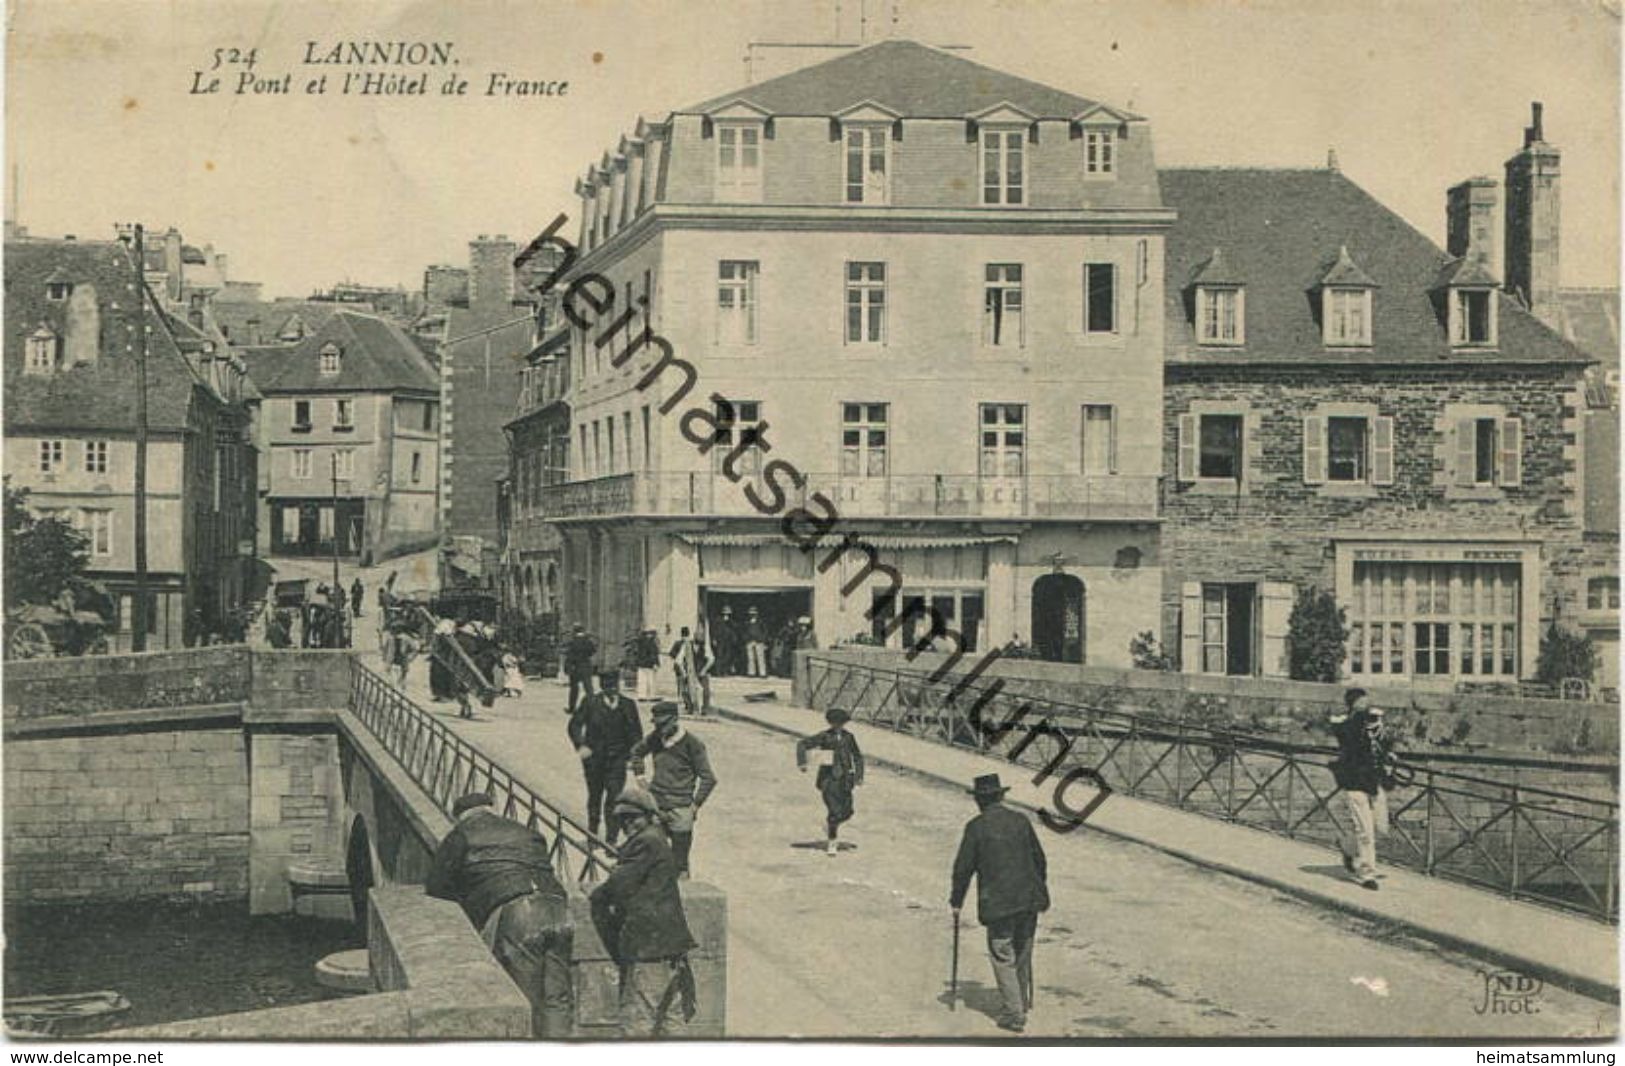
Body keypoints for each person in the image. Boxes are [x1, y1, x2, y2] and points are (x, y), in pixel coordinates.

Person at [426, 792, 574, 1038]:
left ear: (460, 816)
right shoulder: (525, 831)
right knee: (557, 995)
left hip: (518, 912)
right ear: (490, 809)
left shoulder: (461, 834)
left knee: (523, 997)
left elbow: (437, 886)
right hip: (558, 907)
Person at [590, 786, 698, 1037]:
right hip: (671, 950)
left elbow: (617, 885)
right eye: (622, 818)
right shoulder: (658, 839)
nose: (627, 823)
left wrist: (598, 894)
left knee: (637, 1025)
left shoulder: (646, 841)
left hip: (649, 950)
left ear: (649, 815)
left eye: (633, 817)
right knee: (672, 1025)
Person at [949, 773, 1050, 1034]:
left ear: (979, 801)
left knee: (1002, 954)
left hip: (999, 904)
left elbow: (963, 869)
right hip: (1029, 900)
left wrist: (956, 901)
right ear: (1001, 797)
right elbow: (1040, 859)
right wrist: (1036, 888)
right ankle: (1022, 1001)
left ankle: (1015, 1013)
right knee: (1023, 950)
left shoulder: (976, 827)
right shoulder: (1020, 821)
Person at [630, 702, 717, 879]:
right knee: (650, 855)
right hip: (656, 804)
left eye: (664, 725)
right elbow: (636, 752)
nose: (660, 729)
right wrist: (640, 778)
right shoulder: (655, 738)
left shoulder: (693, 745)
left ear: (675, 720)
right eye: (657, 725)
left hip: (680, 808)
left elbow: (709, 779)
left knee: (680, 862)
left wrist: (695, 805)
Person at [1330, 687, 1396, 891]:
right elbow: (1343, 735)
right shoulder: (1345, 723)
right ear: (1353, 704)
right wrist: (1360, 721)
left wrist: (1385, 744)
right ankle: (1367, 873)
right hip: (1354, 782)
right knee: (1365, 830)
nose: (1366, 707)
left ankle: (1347, 847)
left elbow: (1383, 746)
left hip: (1373, 781)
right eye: (1362, 704)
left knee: (1380, 828)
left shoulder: (1372, 723)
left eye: (1367, 703)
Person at [569, 670, 644, 843]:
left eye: (614, 686)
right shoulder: (590, 703)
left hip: (617, 760)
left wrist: (634, 759)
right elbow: (574, 725)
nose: (611, 690)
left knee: (614, 798)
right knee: (594, 797)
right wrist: (581, 746)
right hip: (594, 760)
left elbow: (636, 734)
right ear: (602, 687)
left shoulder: (628, 705)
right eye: (607, 687)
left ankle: (611, 839)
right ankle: (592, 836)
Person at [796, 707, 865, 857]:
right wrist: (803, 763)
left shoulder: (849, 737)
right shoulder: (824, 736)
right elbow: (802, 744)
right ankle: (832, 842)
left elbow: (858, 756)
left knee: (847, 811)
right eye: (835, 723)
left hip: (846, 779)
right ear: (830, 723)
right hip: (829, 779)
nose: (837, 726)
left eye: (840, 723)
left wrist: (859, 776)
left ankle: (831, 826)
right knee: (834, 811)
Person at [669, 627, 712, 717]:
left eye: (701, 636)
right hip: (690, 671)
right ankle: (690, 707)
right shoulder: (687, 645)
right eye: (698, 635)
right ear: (694, 636)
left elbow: (711, 659)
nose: (700, 637)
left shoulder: (705, 646)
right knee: (686, 690)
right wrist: (684, 672)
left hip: (702, 671)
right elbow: (678, 660)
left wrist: (704, 670)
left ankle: (705, 709)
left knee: (706, 691)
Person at [563, 623, 598, 715]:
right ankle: (593, 708)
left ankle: (572, 707)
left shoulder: (572, 642)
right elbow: (593, 650)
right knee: (589, 688)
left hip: (575, 667)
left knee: (574, 688)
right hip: (586, 665)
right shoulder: (588, 641)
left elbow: (569, 656)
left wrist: (567, 668)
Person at [711, 605, 740, 678]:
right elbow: (714, 629)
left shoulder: (731, 620)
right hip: (720, 639)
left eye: (728, 612)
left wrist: (729, 621)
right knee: (719, 656)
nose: (726, 614)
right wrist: (714, 639)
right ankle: (718, 672)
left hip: (728, 640)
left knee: (727, 656)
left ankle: (725, 671)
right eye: (725, 612)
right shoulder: (718, 619)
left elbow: (735, 628)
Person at [633, 629, 661, 701]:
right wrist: (655, 663)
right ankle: (652, 695)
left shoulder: (639, 642)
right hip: (649, 664)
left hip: (641, 664)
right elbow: (653, 654)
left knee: (642, 680)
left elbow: (636, 653)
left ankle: (642, 696)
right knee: (651, 680)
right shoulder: (651, 643)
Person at [744, 607, 769, 679]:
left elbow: (765, 631)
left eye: (754, 614)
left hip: (759, 641)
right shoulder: (747, 622)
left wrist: (763, 639)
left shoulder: (761, 621)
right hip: (750, 641)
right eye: (751, 614)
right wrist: (746, 638)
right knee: (750, 658)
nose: (752, 615)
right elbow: (744, 631)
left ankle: (762, 673)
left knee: (760, 657)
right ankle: (751, 672)